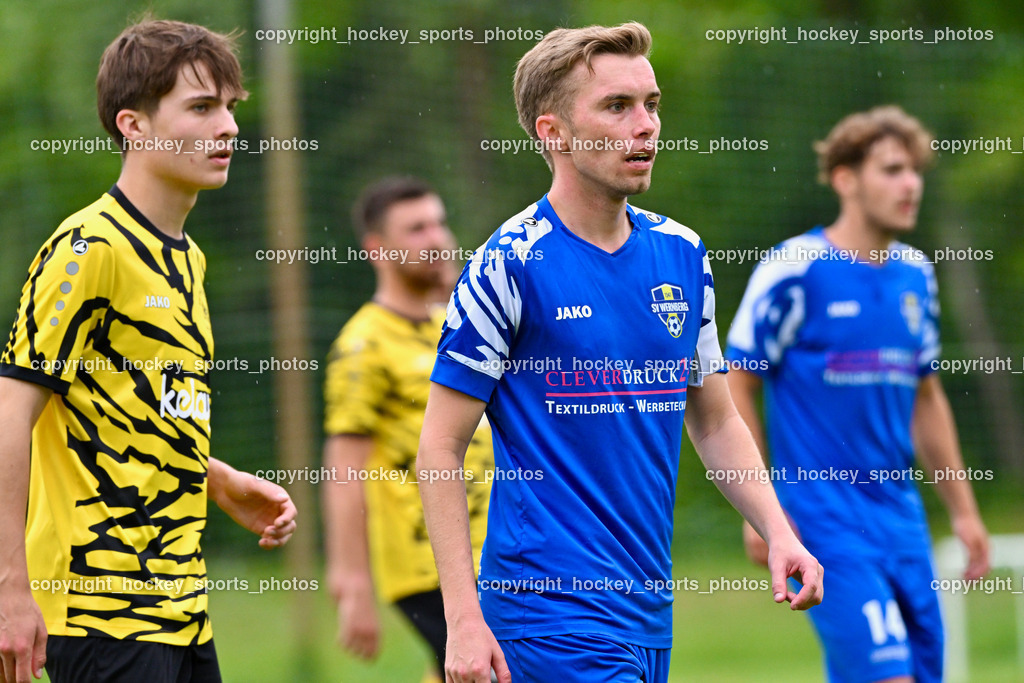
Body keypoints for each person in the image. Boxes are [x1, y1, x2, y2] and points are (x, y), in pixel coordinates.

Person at [416, 22, 823, 683]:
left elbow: (715, 420)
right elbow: (439, 447)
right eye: (617, 106)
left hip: (647, 615)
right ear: (553, 133)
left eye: (651, 104)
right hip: (548, 613)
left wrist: (779, 529)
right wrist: (462, 617)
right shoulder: (508, 263)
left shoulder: (683, 254)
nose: (646, 125)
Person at [0, 20, 297, 683]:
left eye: (230, 107)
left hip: (182, 611)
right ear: (133, 126)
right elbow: (11, 414)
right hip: (101, 611)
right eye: (202, 107)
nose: (228, 127)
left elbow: (121, 413)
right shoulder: (88, 248)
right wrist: (9, 588)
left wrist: (217, 480)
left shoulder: (188, 259)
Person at [725, 105, 990, 683]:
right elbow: (736, 379)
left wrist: (964, 512)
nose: (910, 184)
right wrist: (760, 510)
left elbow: (927, 396)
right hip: (824, 519)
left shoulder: (916, 274)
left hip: (903, 520)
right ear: (846, 179)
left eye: (915, 171)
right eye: (892, 170)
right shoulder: (794, 268)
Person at [322, 177, 493, 683]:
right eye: (416, 229)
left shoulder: (456, 325)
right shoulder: (364, 344)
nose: (436, 238)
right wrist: (352, 579)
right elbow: (344, 469)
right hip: (426, 562)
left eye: (439, 223)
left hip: (494, 548)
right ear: (377, 248)